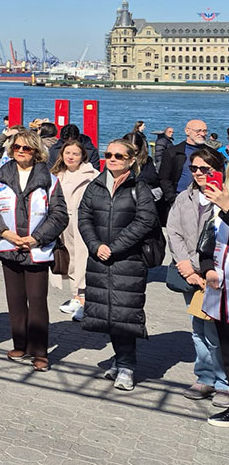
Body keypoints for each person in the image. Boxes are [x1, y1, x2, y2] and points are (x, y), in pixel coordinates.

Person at [77, 137, 159, 391]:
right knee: (107, 314)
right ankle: (119, 358)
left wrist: (115, 247)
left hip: (128, 260)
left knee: (125, 315)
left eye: (118, 156)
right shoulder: (96, 186)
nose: (112, 159)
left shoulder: (139, 188)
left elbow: (145, 221)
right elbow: (84, 217)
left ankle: (127, 366)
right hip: (100, 258)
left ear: (131, 160)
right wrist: (95, 245)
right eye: (109, 154)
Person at [0, 128, 68, 372]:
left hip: (37, 248)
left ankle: (40, 351)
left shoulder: (49, 179)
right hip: (7, 245)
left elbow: (59, 214)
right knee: (15, 299)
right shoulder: (1, 175)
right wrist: (5, 233)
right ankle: (20, 344)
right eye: (17, 147)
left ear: (36, 151)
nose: (20, 151)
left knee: (37, 300)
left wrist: (36, 238)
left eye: (26, 148)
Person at [166, 147, 229, 406]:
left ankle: (223, 381)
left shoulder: (225, 198)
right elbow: (174, 230)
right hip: (190, 272)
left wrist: (204, 269)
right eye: (194, 169)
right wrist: (186, 266)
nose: (200, 174)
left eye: (206, 169)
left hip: (217, 273)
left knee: (216, 331)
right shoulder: (186, 197)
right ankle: (204, 377)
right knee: (197, 328)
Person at [53, 140, 100, 322]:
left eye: (75, 154)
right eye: (67, 153)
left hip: (83, 222)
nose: (70, 157)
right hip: (62, 222)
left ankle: (84, 299)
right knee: (68, 260)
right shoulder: (57, 175)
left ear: (83, 156)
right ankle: (76, 295)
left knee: (82, 259)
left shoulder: (92, 175)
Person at [197, 170, 229, 426]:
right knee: (227, 351)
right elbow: (206, 245)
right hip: (222, 295)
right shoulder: (218, 212)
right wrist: (207, 268)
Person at [160, 119, 208, 214]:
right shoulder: (172, 152)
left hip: (204, 201)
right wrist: (173, 199)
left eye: (205, 131)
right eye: (198, 131)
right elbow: (164, 178)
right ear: (187, 131)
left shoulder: (211, 154)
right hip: (178, 200)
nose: (202, 134)